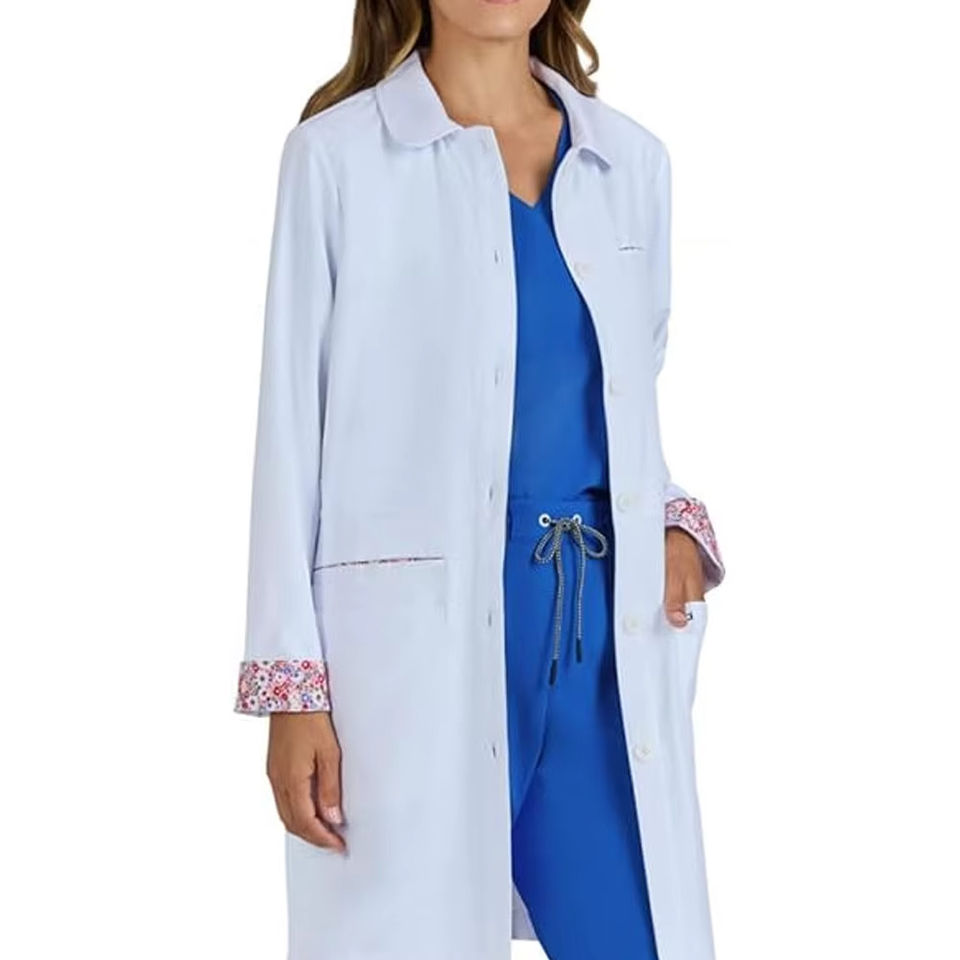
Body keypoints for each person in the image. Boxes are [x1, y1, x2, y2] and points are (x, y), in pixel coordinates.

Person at [235, 2, 725, 958]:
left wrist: (671, 521)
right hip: (411, 654)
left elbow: (626, 397)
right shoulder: (337, 160)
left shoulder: (631, 165)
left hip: (594, 644)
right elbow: (291, 428)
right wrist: (293, 690)